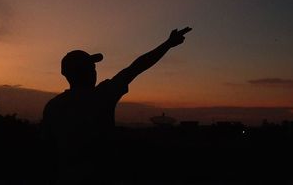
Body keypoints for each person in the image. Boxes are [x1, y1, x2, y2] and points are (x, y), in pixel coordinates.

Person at [42, 27, 191, 184]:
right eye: (91, 68)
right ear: (86, 72)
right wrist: (167, 44)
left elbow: (48, 155)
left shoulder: (53, 107)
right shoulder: (102, 95)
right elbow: (136, 67)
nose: (95, 72)